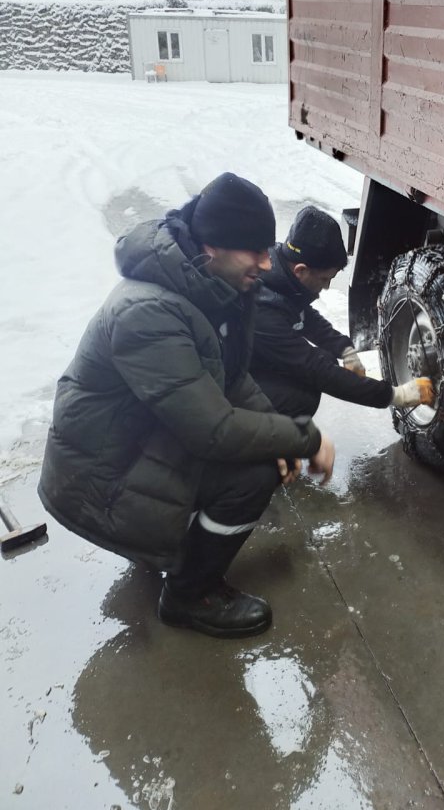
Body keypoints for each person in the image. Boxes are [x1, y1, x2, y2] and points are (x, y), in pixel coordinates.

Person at [38, 173, 335, 640]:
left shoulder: (213, 286)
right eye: (253, 250)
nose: (265, 261)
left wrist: (278, 427)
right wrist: (304, 437)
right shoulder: (149, 311)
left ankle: (167, 545)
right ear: (212, 246)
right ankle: (189, 595)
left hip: (132, 445)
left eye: (267, 247)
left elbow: (233, 380)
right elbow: (212, 430)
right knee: (255, 472)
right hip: (97, 479)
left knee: (265, 447)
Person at [250, 205, 435, 419]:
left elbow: (305, 317)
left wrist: (345, 348)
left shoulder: (279, 273)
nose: (327, 286)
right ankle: (258, 447)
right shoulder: (263, 310)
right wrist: (395, 395)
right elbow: (316, 370)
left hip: (247, 364)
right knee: (299, 396)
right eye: (324, 279)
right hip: (222, 390)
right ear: (300, 270)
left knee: (326, 360)